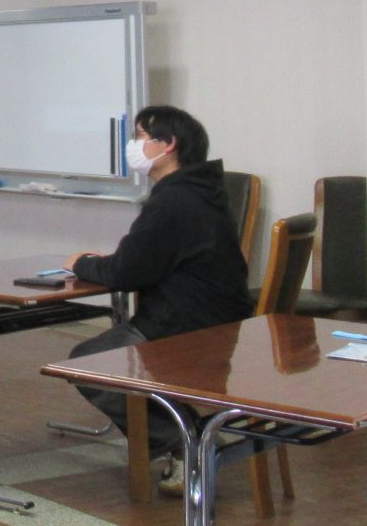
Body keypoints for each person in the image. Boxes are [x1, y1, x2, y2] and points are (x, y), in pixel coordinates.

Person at [67, 106, 254, 472]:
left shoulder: (172, 201)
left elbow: (125, 272)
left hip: (185, 329)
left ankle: (187, 444)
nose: (133, 145)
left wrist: (80, 264)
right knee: (104, 356)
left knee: (86, 363)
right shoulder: (202, 191)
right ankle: (193, 435)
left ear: (168, 144)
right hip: (219, 320)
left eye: (140, 137)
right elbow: (146, 260)